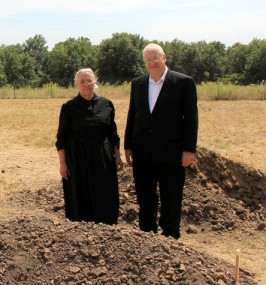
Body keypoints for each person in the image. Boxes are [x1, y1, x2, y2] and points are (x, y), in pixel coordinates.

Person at [124, 43, 198, 239]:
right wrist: (128, 145)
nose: (151, 63)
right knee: (144, 195)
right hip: (143, 151)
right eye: (147, 60)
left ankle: (170, 235)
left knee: (171, 195)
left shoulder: (183, 82)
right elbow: (133, 115)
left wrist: (189, 149)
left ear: (164, 57)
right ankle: (147, 233)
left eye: (155, 58)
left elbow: (191, 118)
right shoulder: (138, 83)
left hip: (171, 151)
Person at [55, 68, 123, 225]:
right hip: (78, 159)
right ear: (77, 85)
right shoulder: (69, 107)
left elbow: (112, 133)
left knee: (104, 193)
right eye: (82, 82)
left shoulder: (106, 104)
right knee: (80, 195)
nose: (86, 84)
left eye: (89, 80)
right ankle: (80, 229)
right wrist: (63, 164)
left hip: (102, 157)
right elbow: (61, 138)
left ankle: (106, 227)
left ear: (95, 81)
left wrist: (117, 157)